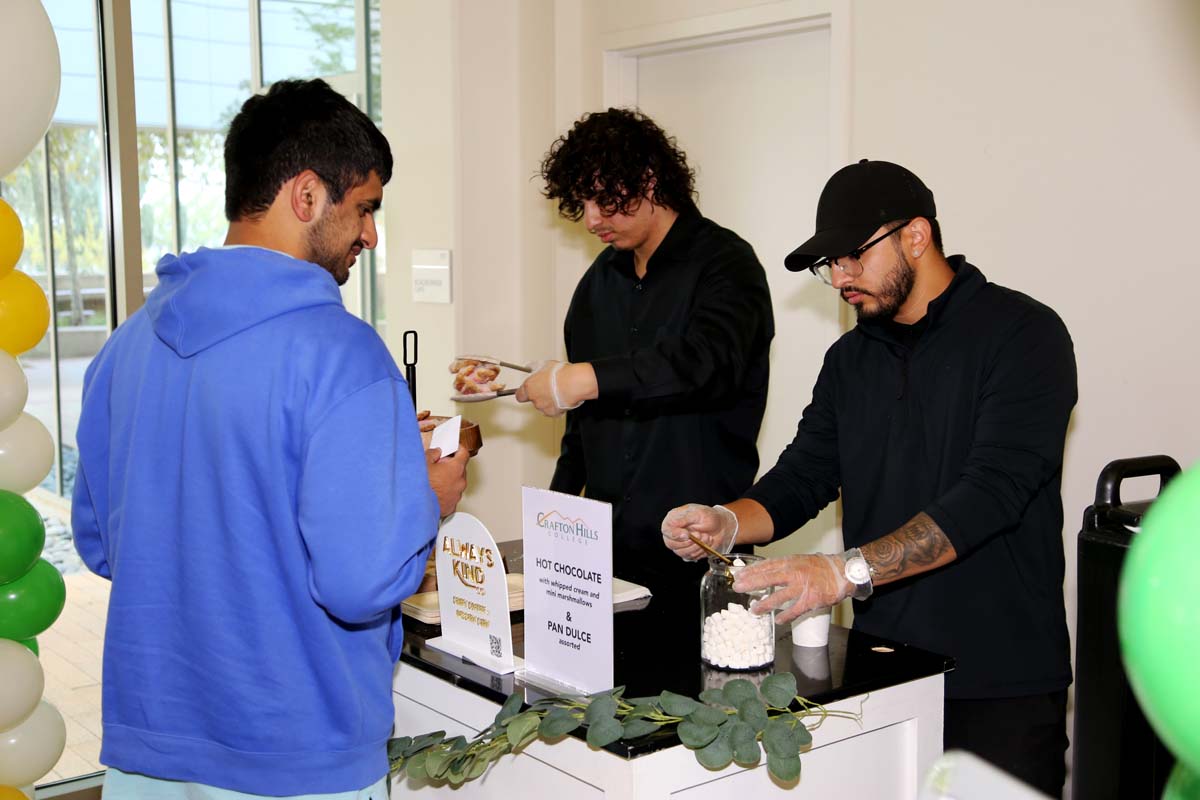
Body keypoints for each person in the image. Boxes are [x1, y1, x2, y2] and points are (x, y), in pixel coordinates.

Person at [71, 79, 469, 798]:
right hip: (298, 755)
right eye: (366, 209)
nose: (372, 236)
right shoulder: (343, 355)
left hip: (148, 754)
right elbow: (358, 585)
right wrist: (425, 499)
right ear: (307, 196)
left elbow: (103, 545)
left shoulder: (124, 347)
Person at [661, 159, 1076, 797]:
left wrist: (844, 572)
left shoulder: (1024, 335)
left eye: (852, 256)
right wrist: (727, 520)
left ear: (916, 235)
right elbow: (803, 477)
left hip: (1001, 677)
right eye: (828, 264)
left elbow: (992, 492)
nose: (839, 278)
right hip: (881, 669)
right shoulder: (851, 358)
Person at [515, 108, 774, 612]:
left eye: (606, 198)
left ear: (649, 180)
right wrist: (550, 529)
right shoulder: (597, 284)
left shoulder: (726, 264)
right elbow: (581, 432)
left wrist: (582, 379)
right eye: (583, 202)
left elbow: (704, 365)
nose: (592, 219)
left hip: (699, 552)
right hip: (605, 558)